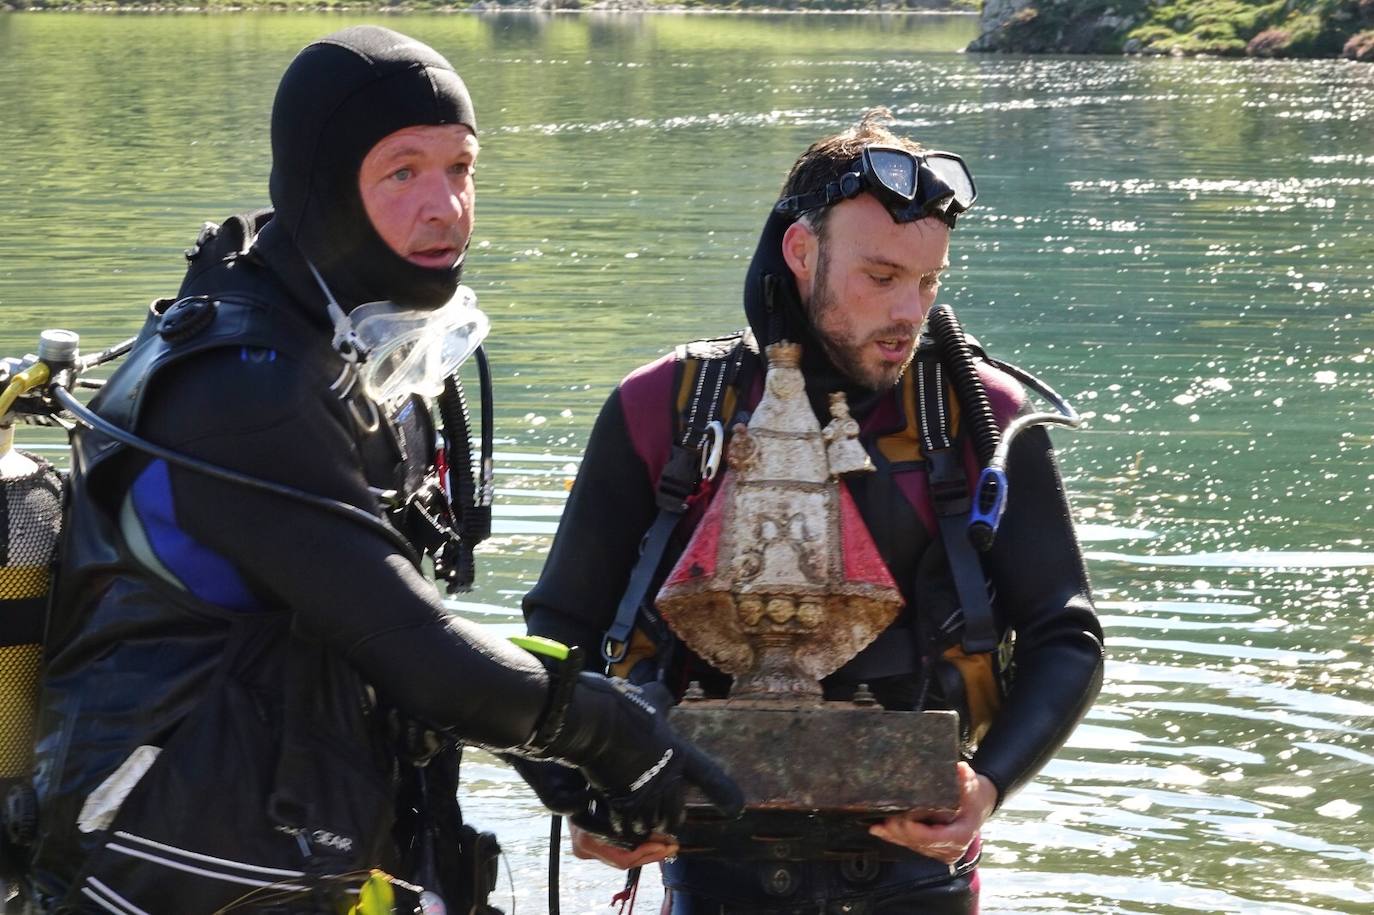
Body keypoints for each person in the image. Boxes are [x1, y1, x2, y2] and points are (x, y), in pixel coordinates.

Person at [20, 26, 738, 914]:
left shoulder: (350, 342)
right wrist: (610, 734)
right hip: (163, 873)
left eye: (461, 168)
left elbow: (389, 623)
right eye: (403, 171)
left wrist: (546, 747)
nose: (446, 207)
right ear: (327, 187)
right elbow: (417, 651)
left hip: (290, 848)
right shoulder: (243, 391)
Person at [522, 111, 1105, 912]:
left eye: (929, 281)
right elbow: (556, 630)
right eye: (881, 276)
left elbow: (1066, 635)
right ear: (802, 252)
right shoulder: (668, 408)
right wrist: (579, 796)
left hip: (917, 873)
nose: (911, 311)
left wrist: (990, 786)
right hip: (715, 867)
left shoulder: (979, 418)